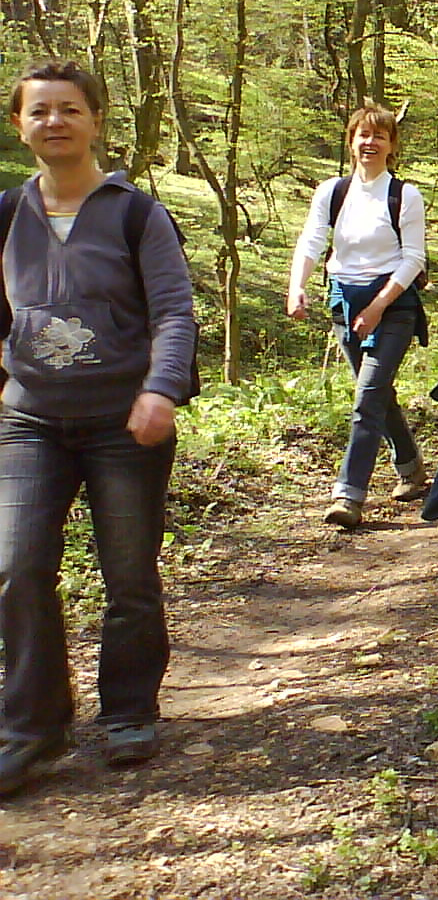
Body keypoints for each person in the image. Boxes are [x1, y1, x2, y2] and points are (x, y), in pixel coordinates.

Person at [0, 61, 197, 794]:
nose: (55, 122)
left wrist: (160, 389)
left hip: (125, 422)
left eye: (69, 110)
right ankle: (32, 725)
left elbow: (175, 310)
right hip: (30, 422)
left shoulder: (136, 212)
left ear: (94, 121)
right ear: (20, 125)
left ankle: (127, 711)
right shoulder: (5, 215)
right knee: (16, 566)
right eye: (39, 111)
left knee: (128, 574)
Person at [287, 106, 430, 530]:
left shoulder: (405, 196)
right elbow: (312, 240)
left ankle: (348, 494)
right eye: (363, 135)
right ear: (351, 141)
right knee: (378, 394)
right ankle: (409, 464)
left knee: (367, 397)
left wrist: (378, 306)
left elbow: (413, 259)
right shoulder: (332, 192)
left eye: (379, 137)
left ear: (391, 145)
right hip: (344, 303)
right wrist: (297, 286)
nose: (370, 143)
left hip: (394, 305)